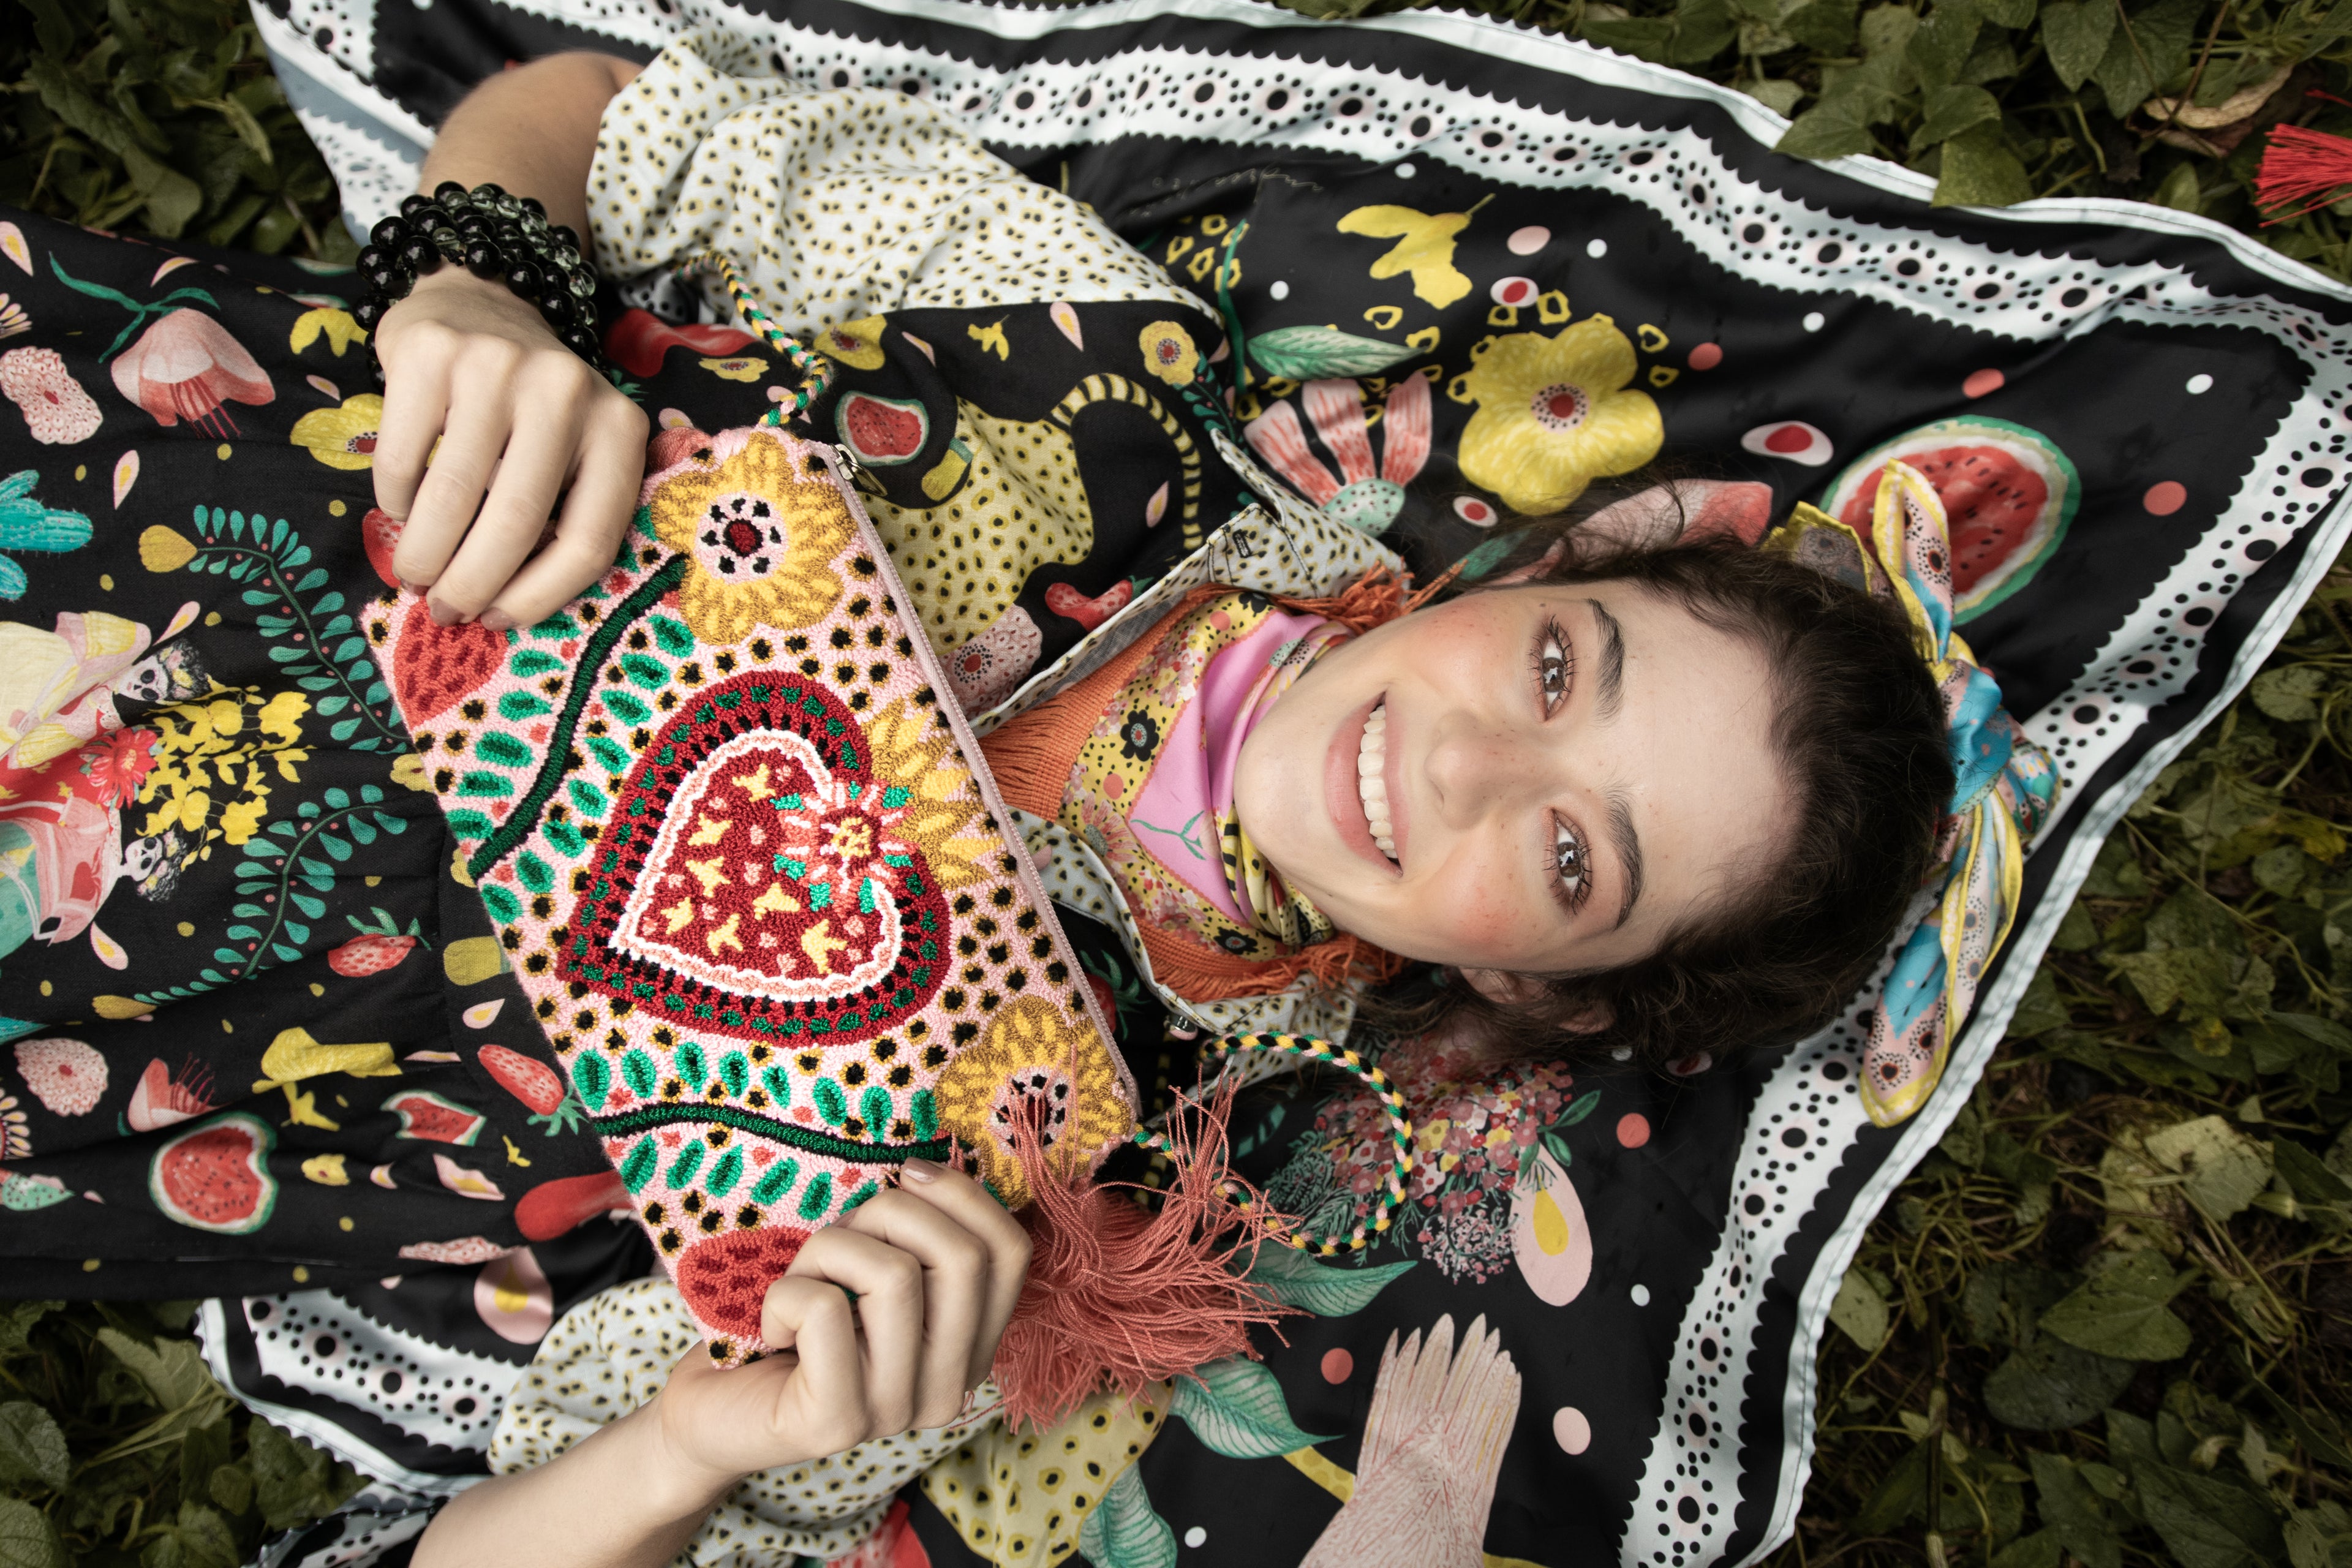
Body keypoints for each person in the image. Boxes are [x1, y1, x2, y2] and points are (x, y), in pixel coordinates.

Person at [372, 36, 1975, 1567]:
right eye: (1558, 672)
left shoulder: (1068, 1191)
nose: (1464, 764)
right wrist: (483, 286)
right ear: (1534, 578)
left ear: (1526, 987)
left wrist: (696, 1446)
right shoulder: (1082, 349)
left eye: (1571, 854)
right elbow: (578, 107)